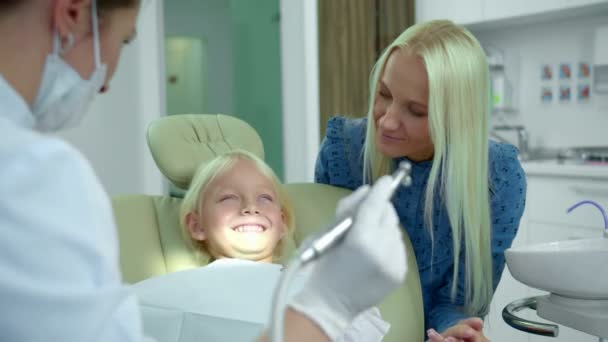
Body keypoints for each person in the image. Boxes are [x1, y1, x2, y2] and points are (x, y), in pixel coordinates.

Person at [0, 1, 407, 341]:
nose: (106, 80)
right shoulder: (34, 179)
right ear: (72, 14)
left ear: (284, 220)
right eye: (123, 40)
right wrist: (325, 306)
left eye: (265, 197)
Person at [315, 20, 527, 342]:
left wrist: (454, 333)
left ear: (456, 117)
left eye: (416, 111)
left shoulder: (497, 178)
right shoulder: (342, 151)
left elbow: (457, 303)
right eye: (384, 94)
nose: (387, 120)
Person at [129, 150, 390, 342]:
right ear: (197, 225)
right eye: (229, 197)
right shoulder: (173, 294)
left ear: (282, 223)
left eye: (264, 198)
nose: (250, 207)